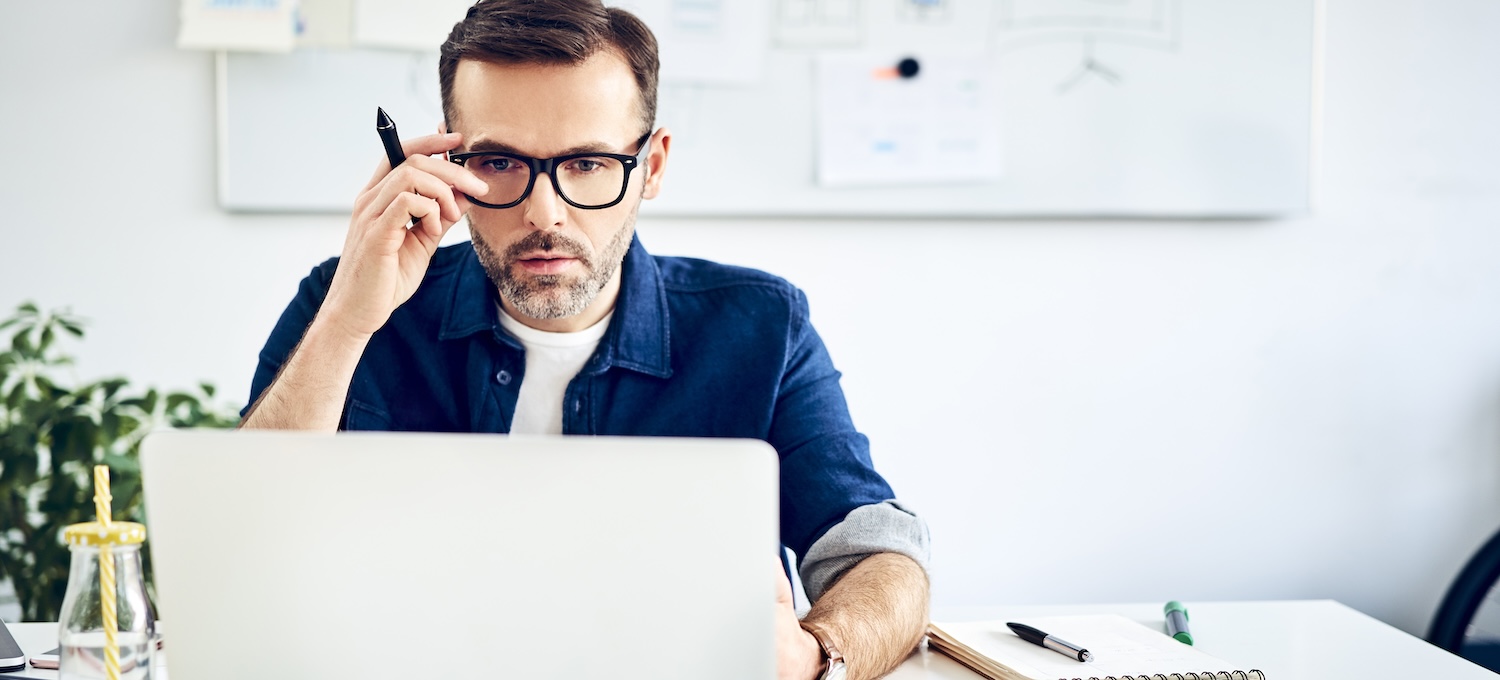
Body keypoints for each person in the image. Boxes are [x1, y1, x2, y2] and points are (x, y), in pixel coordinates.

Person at [240, 1, 930, 678]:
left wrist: (818, 655)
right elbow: (242, 539)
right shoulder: (349, 300)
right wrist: (349, 321)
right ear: (447, 160)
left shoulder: (760, 327)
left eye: (589, 165)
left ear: (651, 167)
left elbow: (877, 557)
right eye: (501, 163)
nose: (545, 212)